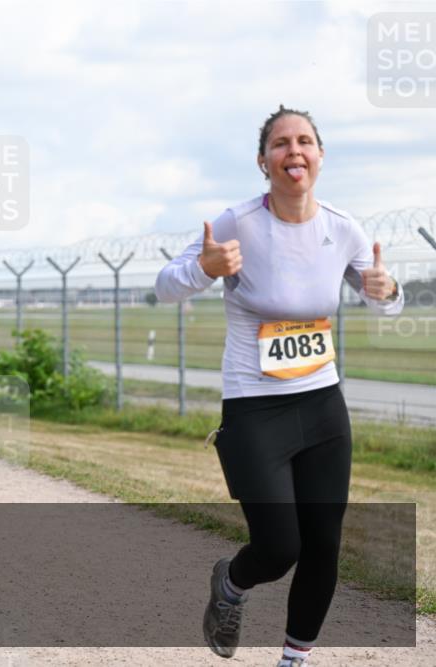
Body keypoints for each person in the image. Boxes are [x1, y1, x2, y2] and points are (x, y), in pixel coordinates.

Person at [155, 105, 403, 667]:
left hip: (321, 406)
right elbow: (166, 285)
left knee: (324, 544)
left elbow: (384, 303)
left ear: (320, 156)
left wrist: (387, 291)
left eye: (305, 141)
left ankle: (296, 659)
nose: (295, 151)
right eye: (281, 143)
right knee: (278, 547)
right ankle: (233, 584)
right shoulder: (236, 222)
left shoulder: (343, 229)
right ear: (263, 161)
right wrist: (205, 269)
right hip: (253, 408)